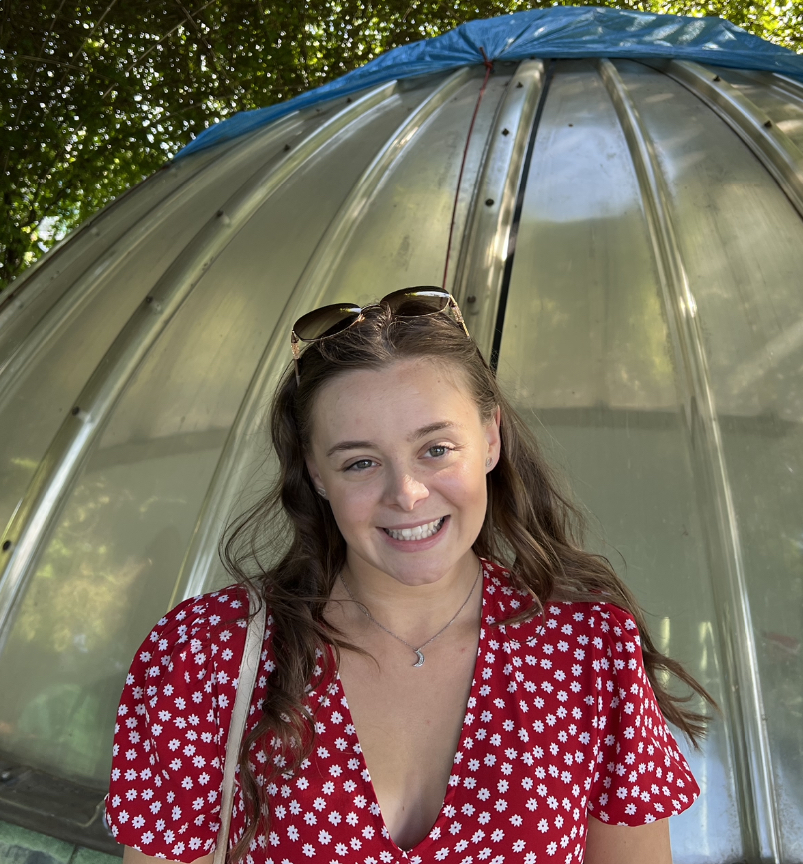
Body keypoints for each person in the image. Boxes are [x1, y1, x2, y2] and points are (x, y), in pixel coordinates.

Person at [106, 288, 713, 864]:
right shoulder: (207, 653)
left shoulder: (588, 649)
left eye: (436, 449)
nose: (407, 493)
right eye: (360, 462)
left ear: (491, 438)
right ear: (316, 474)